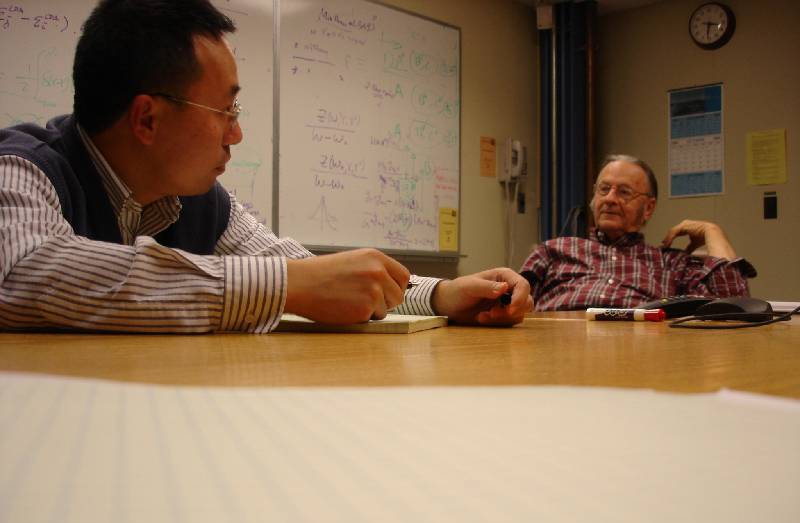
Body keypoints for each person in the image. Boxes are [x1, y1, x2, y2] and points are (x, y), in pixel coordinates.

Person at [0, 0, 531, 333]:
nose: (236, 134)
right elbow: (26, 273)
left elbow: (300, 269)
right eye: (225, 112)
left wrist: (439, 295)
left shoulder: (200, 201)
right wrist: (284, 285)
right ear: (147, 119)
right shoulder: (23, 169)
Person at [519, 154, 756, 311]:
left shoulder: (671, 263)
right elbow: (511, 303)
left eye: (624, 192)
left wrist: (712, 230)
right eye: (604, 189)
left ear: (648, 208)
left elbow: (735, 304)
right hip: (557, 345)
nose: (610, 199)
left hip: (638, 350)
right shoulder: (554, 250)